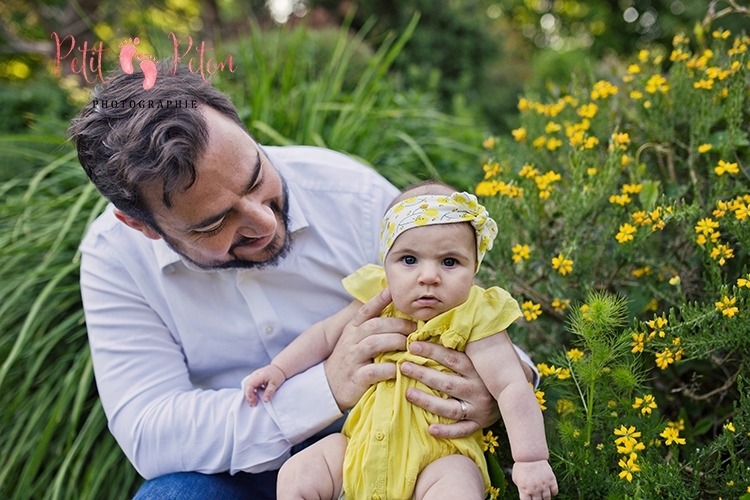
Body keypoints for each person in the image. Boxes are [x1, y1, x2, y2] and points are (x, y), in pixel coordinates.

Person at [68, 61, 539, 499]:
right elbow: (152, 431)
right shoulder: (115, 258)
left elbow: (460, 300)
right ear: (143, 226)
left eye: (256, 178)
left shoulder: (350, 194)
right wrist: (325, 388)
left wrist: (494, 385)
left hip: (413, 445)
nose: (265, 223)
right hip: (238, 470)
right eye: (214, 224)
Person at [244, 184, 558, 500]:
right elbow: (325, 335)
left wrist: (531, 459)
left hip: (439, 455)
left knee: (457, 485)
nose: (428, 276)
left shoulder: (474, 316)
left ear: (474, 268)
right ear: (386, 265)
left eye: (449, 262)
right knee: (298, 472)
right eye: (409, 260)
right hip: (358, 448)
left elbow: (511, 386)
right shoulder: (377, 299)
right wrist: (279, 369)